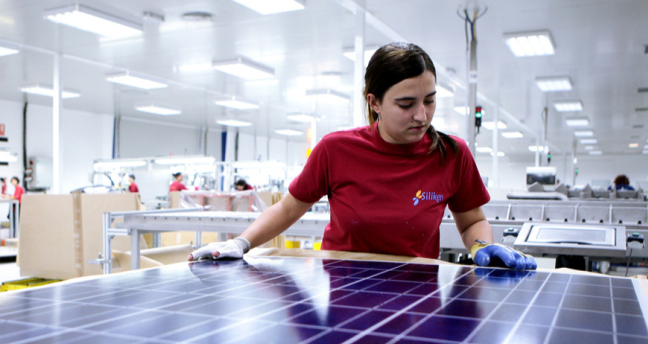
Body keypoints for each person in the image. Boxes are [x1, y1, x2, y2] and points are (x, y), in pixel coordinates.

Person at [190, 42, 535, 271]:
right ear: (374, 102)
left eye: (429, 100)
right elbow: (288, 207)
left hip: (417, 296)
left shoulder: (452, 153)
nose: (422, 115)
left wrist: (481, 247)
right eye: (406, 104)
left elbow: (472, 219)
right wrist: (242, 242)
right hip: (345, 289)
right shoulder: (335, 149)